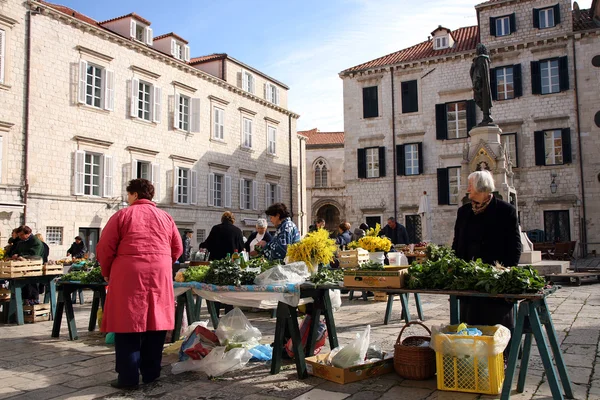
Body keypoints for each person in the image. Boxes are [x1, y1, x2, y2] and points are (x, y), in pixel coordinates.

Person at [97, 178, 183, 389]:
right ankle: (152, 373)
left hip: (129, 273)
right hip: (159, 274)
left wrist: (106, 271)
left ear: (134, 195)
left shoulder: (123, 215)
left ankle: (127, 378)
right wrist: (163, 262)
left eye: (128, 195)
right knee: (156, 322)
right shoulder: (166, 217)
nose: (127, 199)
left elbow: (105, 248)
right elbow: (178, 248)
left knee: (127, 324)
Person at [452, 170, 522, 335]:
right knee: (470, 324)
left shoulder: (506, 211)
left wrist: (506, 272)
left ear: (480, 187)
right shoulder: (464, 212)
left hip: (494, 280)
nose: (467, 189)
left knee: (496, 326)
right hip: (469, 279)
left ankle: (503, 357)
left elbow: (515, 246)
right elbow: (457, 243)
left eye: (470, 185)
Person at [470, 43, 494, 126]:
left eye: (477, 49)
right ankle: (486, 116)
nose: (476, 50)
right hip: (480, 84)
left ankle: (486, 116)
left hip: (480, 84)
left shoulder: (482, 59)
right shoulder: (481, 60)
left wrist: (477, 83)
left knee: (482, 98)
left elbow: (479, 73)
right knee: (480, 99)